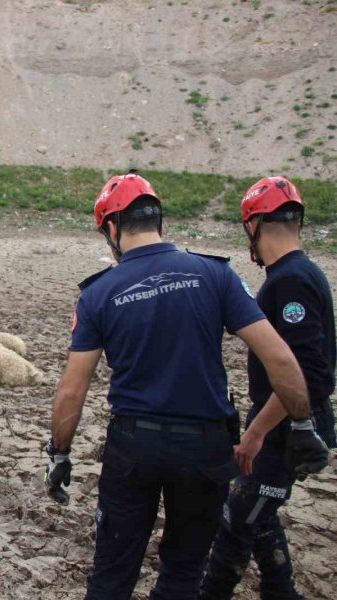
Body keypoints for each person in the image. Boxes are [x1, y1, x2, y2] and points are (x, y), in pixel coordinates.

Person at [43, 171, 326, 600]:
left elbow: (71, 391)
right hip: (205, 448)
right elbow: (281, 358)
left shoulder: (98, 294)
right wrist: (302, 424)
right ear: (158, 220)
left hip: (134, 446)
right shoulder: (216, 274)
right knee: (183, 572)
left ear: (113, 228)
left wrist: (60, 453)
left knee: (112, 575)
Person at [200, 177, 335, 600]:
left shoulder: (290, 280)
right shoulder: (300, 273)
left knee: (238, 518)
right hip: (283, 425)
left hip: (285, 431)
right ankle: (282, 591)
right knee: (259, 513)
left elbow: (308, 374)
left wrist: (257, 431)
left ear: (254, 224)